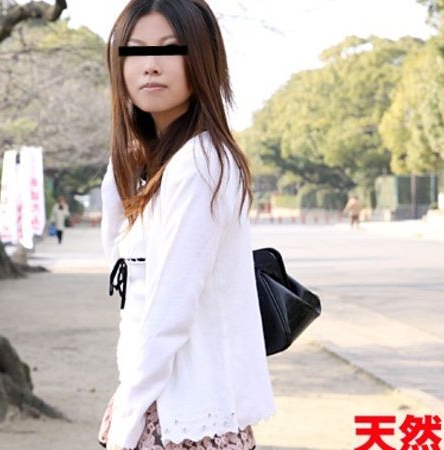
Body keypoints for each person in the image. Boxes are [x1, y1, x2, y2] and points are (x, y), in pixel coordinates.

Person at [97, 1, 275, 449]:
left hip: (181, 412)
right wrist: (122, 167)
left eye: (169, 49)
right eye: (135, 50)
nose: (150, 65)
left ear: (201, 58)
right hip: (155, 396)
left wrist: (128, 415)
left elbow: (168, 309)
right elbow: (123, 271)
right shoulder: (155, 164)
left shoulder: (199, 163)